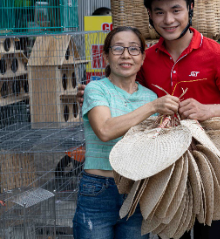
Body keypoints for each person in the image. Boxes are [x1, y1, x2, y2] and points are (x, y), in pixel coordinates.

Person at [78, 0, 220, 239]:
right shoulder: (146, 58)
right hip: (163, 168)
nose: (168, 20)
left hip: (207, 166)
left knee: (211, 233)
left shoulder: (217, 54)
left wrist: (208, 110)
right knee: (171, 234)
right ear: (150, 15)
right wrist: (94, 92)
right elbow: (127, 88)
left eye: (176, 10)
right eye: (159, 12)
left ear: (190, 9)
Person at [73, 26, 180, 239]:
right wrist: (152, 108)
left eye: (133, 49)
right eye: (118, 49)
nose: (125, 55)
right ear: (106, 56)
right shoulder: (96, 89)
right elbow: (105, 130)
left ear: (142, 57)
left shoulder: (149, 96)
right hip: (98, 190)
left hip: (137, 191)